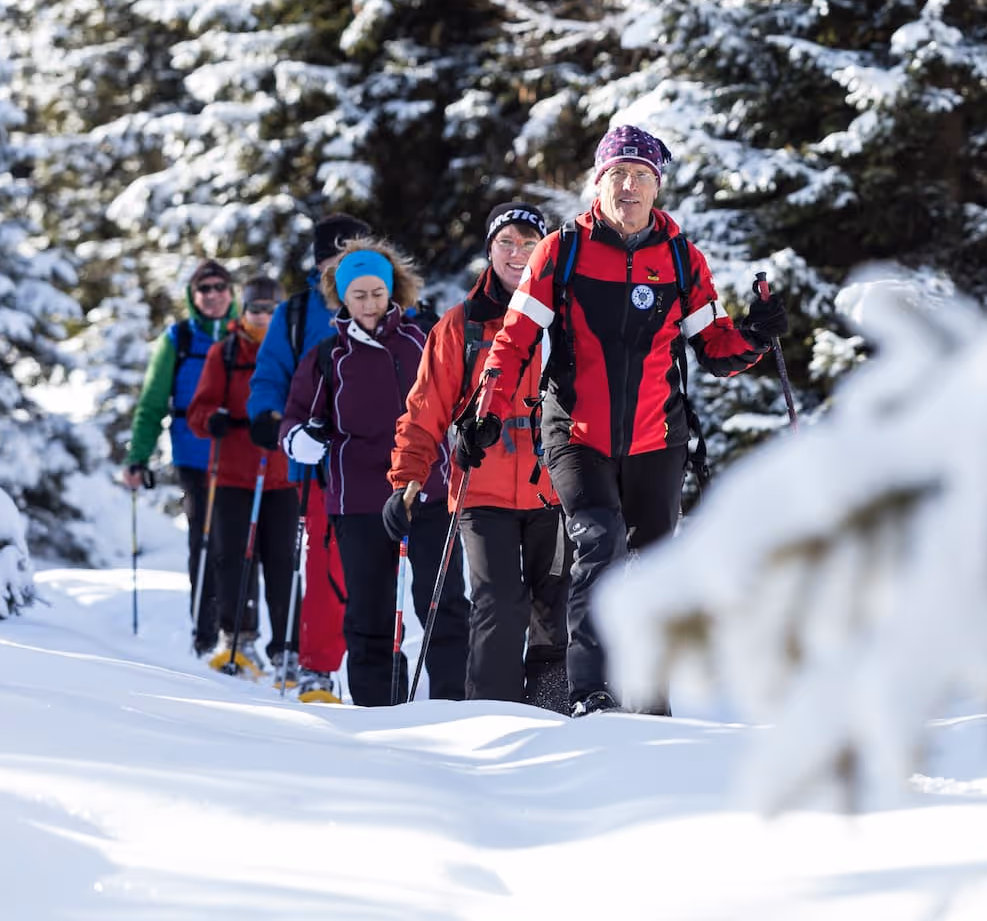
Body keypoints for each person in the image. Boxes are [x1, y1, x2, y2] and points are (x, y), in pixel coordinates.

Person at [468, 125, 788, 717]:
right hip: (575, 434)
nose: (631, 186)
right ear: (599, 182)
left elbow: (716, 351)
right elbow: (514, 340)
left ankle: (650, 695)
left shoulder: (680, 258)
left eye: (642, 176)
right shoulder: (560, 251)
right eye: (619, 174)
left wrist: (757, 334)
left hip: (656, 438)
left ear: (658, 187)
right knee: (600, 544)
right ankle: (591, 691)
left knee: (656, 564)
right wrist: (486, 412)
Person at [389, 202, 571, 709]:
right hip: (480, 491)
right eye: (506, 243)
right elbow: (425, 409)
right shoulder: (461, 327)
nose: (517, 253)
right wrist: (406, 479)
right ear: (490, 250)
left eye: (528, 243)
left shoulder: (562, 320)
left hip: (551, 487)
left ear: (544, 252)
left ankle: (550, 709)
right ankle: (494, 717)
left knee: (552, 607)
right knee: (497, 604)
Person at [279, 237, 470, 706]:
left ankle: (457, 704)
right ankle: (376, 713)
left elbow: (455, 401)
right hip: (358, 499)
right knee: (369, 614)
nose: (368, 304)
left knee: (442, 605)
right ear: (342, 298)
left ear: (393, 293)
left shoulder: (421, 340)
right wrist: (303, 438)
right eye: (358, 295)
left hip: (425, 492)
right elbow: (294, 419)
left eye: (377, 294)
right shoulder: (327, 357)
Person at [248, 213, 370, 701]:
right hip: (320, 461)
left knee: (379, 565)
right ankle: (317, 665)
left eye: (349, 254)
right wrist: (267, 416)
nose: (338, 267)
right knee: (323, 567)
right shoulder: (296, 313)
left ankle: (379, 659)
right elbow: (269, 374)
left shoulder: (384, 303)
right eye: (331, 257)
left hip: (379, 460)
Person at [122, 258, 239, 657]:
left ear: (231, 292)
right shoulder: (180, 338)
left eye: (219, 287)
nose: (213, 295)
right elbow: (153, 403)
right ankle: (204, 632)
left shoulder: (249, 334)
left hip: (242, 457)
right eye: (204, 289)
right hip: (194, 456)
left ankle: (237, 631)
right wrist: (138, 457)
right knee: (204, 541)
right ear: (193, 297)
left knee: (240, 544)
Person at [185, 277, 298, 677]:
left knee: (282, 563)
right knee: (232, 561)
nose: (262, 317)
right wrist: (210, 421)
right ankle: (237, 638)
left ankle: (287, 648)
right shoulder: (225, 353)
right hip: (233, 476)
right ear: (243, 311)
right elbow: (198, 411)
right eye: (255, 310)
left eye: (270, 310)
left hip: (282, 477)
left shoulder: (293, 350)